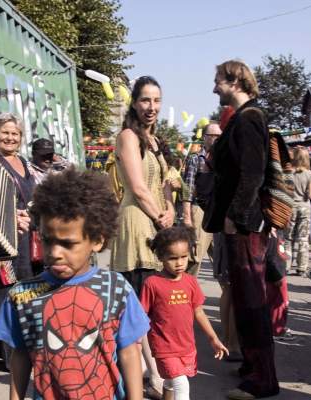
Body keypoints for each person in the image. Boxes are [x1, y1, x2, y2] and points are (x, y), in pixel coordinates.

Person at [0, 168, 150, 399]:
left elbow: (129, 352)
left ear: (97, 241)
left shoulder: (116, 289)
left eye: (68, 244)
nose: (55, 253)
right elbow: (21, 355)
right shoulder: (23, 295)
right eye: (47, 240)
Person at [204, 59, 279, 399]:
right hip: (241, 222)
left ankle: (263, 380)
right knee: (245, 296)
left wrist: (235, 215)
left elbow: (253, 173)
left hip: (245, 224)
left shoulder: (249, 118)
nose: (214, 87)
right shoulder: (243, 117)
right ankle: (252, 366)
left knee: (251, 301)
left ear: (235, 81)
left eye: (218, 81)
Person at [109, 75, 174, 398]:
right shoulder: (128, 136)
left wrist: (171, 209)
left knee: (154, 306)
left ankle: (151, 373)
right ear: (134, 103)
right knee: (139, 307)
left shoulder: (156, 140)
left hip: (157, 222)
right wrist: (162, 218)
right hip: (137, 224)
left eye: (157, 100)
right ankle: (150, 376)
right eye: (146, 100)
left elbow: (165, 183)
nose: (152, 106)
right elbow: (137, 187)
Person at [140, 226, 228, 400]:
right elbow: (142, 315)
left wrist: (213, 338)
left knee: (170, 382)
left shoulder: (190, 282)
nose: (179, 263)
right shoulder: (152, 283)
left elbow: (199, 312)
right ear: (160, 257)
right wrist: (135, 341)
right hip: (164, 347)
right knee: (181, 384)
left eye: (184, 257)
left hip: (186, 346)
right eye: (173, 258)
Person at [0, 113, 35, 281]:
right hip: (6, 240)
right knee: (9, 290)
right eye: (5, 132)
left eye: (15, 134)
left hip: (29, 239)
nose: (10, 138)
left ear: (20, 137)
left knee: (32, 288)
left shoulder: (24, 162)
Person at [182, 122, 222, 275]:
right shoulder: (196, 159)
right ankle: (188, 287)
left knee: (222, 258)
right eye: (212, 136)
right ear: (205, 138)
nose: (216, 139)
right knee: (195, 255)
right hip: (200, 209)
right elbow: (188, 188)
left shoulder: (225, 159)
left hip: (219, 211)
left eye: (219, 136)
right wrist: (187, 217)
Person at [285, 147, 311, 276]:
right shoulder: (309, 174)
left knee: (288, 238)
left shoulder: (288, 173)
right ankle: (302, 267)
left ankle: (286, 265)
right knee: (303, 238)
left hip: (290, 207)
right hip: (304, 207)